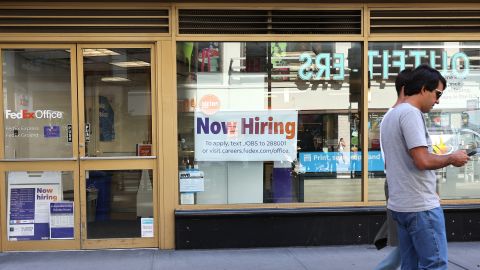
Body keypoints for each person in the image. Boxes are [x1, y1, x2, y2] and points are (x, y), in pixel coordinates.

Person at [380, 64, 469, 270]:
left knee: (410, 265)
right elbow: (422, 161)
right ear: (423, 89)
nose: (437, 101)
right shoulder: (411, 113)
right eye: (437, 93)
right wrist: (451, 158)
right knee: (435, 264)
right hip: (420, 206)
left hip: (401, 205)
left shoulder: (390, 116)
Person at [373, 68, 412, 270]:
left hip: (401, 186)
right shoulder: (399, 116)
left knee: (407, 246)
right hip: (402, 187)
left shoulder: (395, 116)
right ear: (406, 90)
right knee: (407, 246)